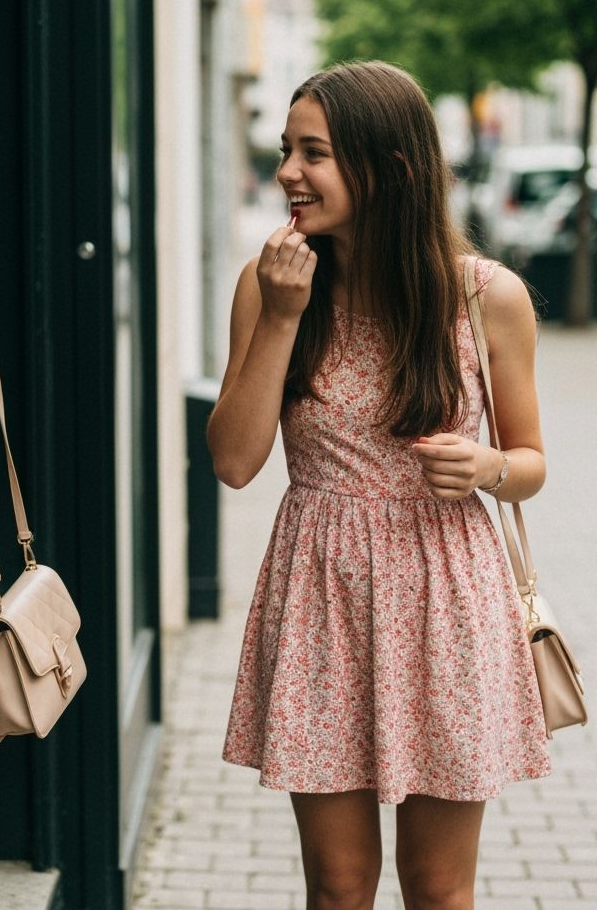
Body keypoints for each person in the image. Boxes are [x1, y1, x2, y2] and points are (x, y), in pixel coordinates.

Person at [208, 61, 551, 910]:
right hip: (322, 596)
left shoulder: (486, 297)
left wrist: (487, 468)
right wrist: (283, 317)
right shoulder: (271, 283)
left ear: (391, 167)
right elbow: (234, 460)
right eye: (288, 149)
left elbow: (532, 462)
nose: (288, 170)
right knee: (338, 885)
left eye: (314, 152)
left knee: (437, 889)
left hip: (447, 596)